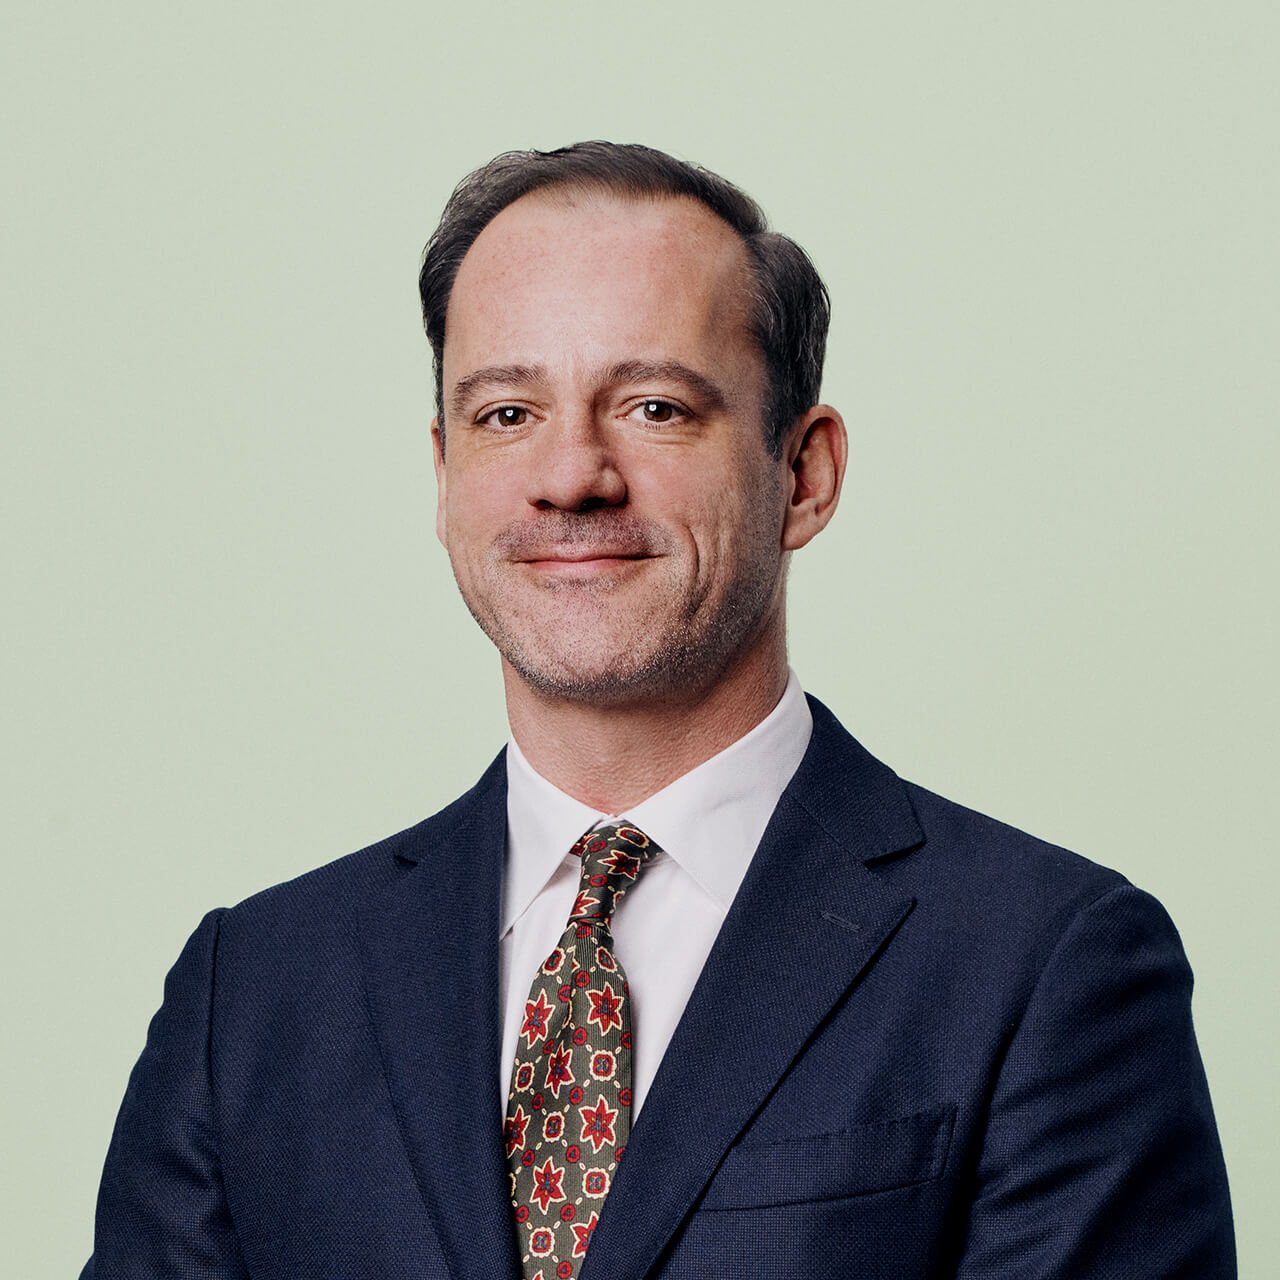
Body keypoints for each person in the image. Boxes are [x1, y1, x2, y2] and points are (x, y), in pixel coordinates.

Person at [83, 142, 1235, 1279]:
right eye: (504, 414)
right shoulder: (253, 992)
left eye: (652, 406)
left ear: (803, 475)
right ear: (441, 476)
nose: (570, 476)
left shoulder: (1045, 962)